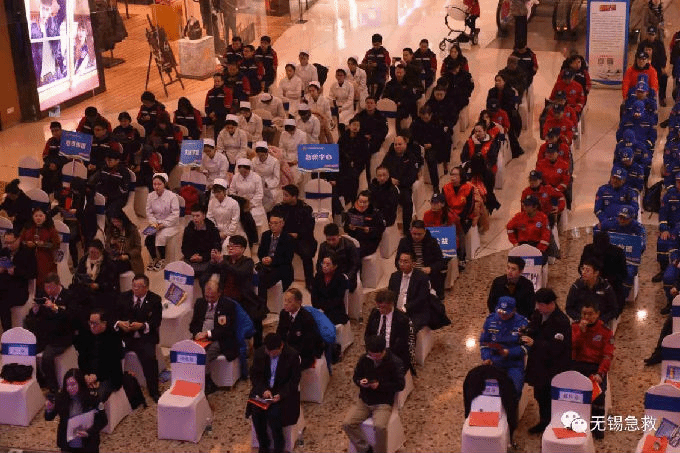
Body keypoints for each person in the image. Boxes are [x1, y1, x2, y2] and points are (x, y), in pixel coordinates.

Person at [343, 335, 405, 453]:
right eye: (371, 355)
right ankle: (365, 449)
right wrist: (360, 382)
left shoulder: (395, 362)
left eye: (376, 356)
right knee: (347, 423)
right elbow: (356, 376)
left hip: (383, 403)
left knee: (380, 427)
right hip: (365, 401)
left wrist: (379, 385)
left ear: (383, 351)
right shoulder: (364, 359)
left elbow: (400, 385)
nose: (373, 358)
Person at [521, 288, 571, 434]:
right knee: (539, 394)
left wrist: (535, 343)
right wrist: (526, 331)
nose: (538, 307)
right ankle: (544, 421)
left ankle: (553, 423)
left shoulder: (561, 322)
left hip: (553, 366)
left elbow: (556, 348)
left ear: (551, 304)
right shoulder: (538, 314)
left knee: (550, 396)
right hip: (538, 363)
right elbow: (533, 327)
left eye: (541, 305)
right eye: (537, 304)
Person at [204, 235, 266, 347]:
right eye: (229, 246)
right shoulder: (225, 259)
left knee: (256, 316)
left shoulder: (248, 262)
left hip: (243, 298)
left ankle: (257, 347)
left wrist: (222, 262)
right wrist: (212, 262)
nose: (231, 248)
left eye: (235, 246)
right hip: (225, 298)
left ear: (242, 249)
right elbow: (209, 272)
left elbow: (239, 273)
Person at [247, 333, 301, 453]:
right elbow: (255, 375)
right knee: (256, 411)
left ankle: (278, 446)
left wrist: (281, 395)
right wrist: (263, 390)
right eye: (269, 352)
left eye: (274, 353)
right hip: (265, 391)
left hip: (283, 393)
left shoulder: (292, 355)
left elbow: (294, 381)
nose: (271, 355)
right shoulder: (260, 353)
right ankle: (263, 444)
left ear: (281, 347)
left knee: (274, 414)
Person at [571, 300, 614, 439]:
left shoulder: (605, 331)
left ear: (597, 314)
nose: (586, 317)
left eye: (590, 314)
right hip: (578, 364)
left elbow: (607, 356)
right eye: (584, 314)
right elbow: (571, 348)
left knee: (599, 395)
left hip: (596, 367)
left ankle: (597, 425)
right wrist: (581, 333)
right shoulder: (575, 327)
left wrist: (600, 373)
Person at [114, 274, 162, 401]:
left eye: (138, 287)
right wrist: (119, 323)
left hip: (145, 338)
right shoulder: (123, 297)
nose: (135, 289)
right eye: (133, 286)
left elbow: (156, 321)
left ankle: (154, 390)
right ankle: (117, 386)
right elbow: (114, 316)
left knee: (149, 358)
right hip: (126, 337)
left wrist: (142, 325)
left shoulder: (155, 300)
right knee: (112, 352)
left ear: (146, 287)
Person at [23, 273, 72, 393]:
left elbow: (71, 317)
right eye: (46, 287)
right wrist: (35, 311)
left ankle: (53, 387)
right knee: (28, 352)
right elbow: (31, 317)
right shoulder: (43, 296)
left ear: (58, 285)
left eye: (50, 287)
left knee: (47, 357)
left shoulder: (68, 296)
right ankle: (39, 382)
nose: (48, 290)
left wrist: (55, 308)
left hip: (62, 336)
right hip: (44, 335)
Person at [189, 280, 239, 393]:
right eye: (207, 296)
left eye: (212, 297)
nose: (209, 300)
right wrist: (196, 333)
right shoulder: (200, 303)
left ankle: (207, 382)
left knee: (205, 355)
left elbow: (226, 329)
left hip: (220, 339)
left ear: (219, 293)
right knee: (188, 350)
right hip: (201, 338)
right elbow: (193, 324)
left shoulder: (227, 305)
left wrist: (208, 334)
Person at [44, 368, 108, 453]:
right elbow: (49, 417)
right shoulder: (61, 398)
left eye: (73, 384)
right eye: (67, 385)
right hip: (67, 445)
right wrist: (49, 409)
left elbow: (103, 420)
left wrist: (89, 432)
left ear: (80, 383)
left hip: (88, 445)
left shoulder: (92, 398)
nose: (70, 388)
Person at [480, 296, 529, 398]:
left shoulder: (522, 323)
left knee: (514, 391)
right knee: (490, 392)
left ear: (514, 310)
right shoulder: (490, 320)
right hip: (494, 362)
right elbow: (484, 343)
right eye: (500, 311)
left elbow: (526, 347)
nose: (502, 315)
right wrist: (486, 357)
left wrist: (509, 352)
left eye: (506, 313)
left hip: (514, 364)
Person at [271, 185, 317, 290]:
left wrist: (298, 234)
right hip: (284, 236)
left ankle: (309, 281)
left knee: (307, 254)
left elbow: (309, 226)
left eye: (286, 195)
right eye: (284, 195)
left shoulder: (305, 209)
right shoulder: (279, 208)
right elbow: (274, 224)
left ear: (294, 197)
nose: (284, 198)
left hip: (301, 238)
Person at [597, 206, 646, 302]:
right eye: (620, 217)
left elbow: (642, 245)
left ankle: (621, 298)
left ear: (631, 218)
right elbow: (598, 232)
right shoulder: (610, 223)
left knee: (629, 273)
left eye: (625, 218)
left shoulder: (638, 228)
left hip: (628, 259)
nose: (622, 220)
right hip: (610, 257)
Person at [365, 289, 415, 375]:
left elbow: (401, 344)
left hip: (393, 352)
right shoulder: (375, 313)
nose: (380, 310)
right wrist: (372, 350)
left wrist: (385, 354)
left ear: (391, 304)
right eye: (379, 307)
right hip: (375, 350)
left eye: (383, 307)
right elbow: (368, 334)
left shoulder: (402, 319)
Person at [78, 309, 123, 402]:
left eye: (95, 323)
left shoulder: (114, 338)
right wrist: (86, 376)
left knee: (97, 397)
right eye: (90, 323)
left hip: (108, 376)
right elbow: (82, 359)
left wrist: (96, 377)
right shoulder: (86, 335)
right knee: (75, 392)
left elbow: (112, 365)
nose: (92, 326)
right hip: (90, 375)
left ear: (104, 323)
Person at [395, 220, 446, 300]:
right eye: (414, 234)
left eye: (419, 234)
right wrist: (406, 267)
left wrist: (431, 268)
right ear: (411, 231)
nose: (417, 237)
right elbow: (397, 261)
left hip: (427, 273)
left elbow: (441, 262)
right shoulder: (404, 242)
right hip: (409, 273)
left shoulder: (432, 242)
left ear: (425, 232)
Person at [578, 231, 627, 313]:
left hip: (612, 287)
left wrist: (606, 281)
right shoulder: (588, 250)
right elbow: (580, 268)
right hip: (590, 286)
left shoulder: (618, 253)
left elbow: (623, 275)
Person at [276, 288, 323, 369]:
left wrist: (289, 353)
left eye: (289, 301)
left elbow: (308, 344)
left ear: (299, 302)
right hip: (286, 350)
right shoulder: (283, 313)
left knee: (287, 366)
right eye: (285, 300)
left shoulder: (307, 318)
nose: (286, 304)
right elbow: (279, 333)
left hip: (303, 353)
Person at [381, 135, 420, 231]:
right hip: (388, 185)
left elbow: (412, 176)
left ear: (405, 144)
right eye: (395, 144)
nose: (397, 146)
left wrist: (399, 182)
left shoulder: (411, 157)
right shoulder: (389, 156)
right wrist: (389, 180)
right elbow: (381, 170)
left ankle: (406, 229)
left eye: (400, 144)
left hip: (403, 187)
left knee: (407, 202)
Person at [0, 230, 37, 331]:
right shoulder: (4, 251)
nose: (9, 245)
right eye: (6, 242)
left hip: (19, 289)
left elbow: (33, 274)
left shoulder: (28, 253)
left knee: (3, 303)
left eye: (11, 242)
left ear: (18, 239)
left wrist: (16, 271)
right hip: (4, 285)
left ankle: (7, 331)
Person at [565, 258, 618, 324]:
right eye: (583, 269)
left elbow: (614, 309)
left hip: (600, 322)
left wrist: (602, 320)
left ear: (596, 273)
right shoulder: (576, 286)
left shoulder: (606, 287)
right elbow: (569, 308)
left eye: (587, 270)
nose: (583, 272)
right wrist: (580, 318)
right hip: (580, 321)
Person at [144, 173, 180, 271]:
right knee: (148, 238)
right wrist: (154, 223)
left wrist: (163, 224)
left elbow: (175, 214)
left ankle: (162, 259)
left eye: (159, 184)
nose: (156, 186)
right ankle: (154, 258)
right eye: (154, 184)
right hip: (155, 223)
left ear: (164, 184)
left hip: (170, 224)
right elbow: (149, 212)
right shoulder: (150, 196)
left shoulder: (172, 196)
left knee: (161, 236)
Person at [388, 251, 431, 333]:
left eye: (405, 262)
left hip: (414, 311)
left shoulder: (422, 278)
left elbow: (421, 299)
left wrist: (405, 308)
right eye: (400, 261)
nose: (402, 264)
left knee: (408, 330)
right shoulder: (394, 276)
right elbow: (390, 294)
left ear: (413, 264)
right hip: (396, 310)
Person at [73, 239, 119, 312]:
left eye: (95, 253)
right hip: (85, 291)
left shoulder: (108, 263)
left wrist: (98, 285)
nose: (93, 255)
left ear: (100, 252)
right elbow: (77, 276)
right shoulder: (83, 261)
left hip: (102, 293)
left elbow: (112, 282)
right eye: (91, 252)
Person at [21, 206, 60, 290]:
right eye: (36, 216)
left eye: (40, 216)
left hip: (45, 257)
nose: (38, 218)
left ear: (45, 217)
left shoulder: (50, 228)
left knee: (44, 278)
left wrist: (43, 244)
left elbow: (56, 244)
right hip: (28, 256)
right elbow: (21, 241)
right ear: (32, 217)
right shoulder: (27, 227)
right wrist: (27, 243)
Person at [334, 117, 370, 206]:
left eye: (357, 125)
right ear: (349, 126)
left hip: (357, 165)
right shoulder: (343, 137)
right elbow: (338, 151)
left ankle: (353, 201)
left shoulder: (363, 139)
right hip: (344, 164)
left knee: (353, 178)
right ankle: (343, 201)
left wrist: (355, 162)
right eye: (354, 125)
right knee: (341, 177)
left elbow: (365, 155)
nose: (355, 127)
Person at [257, 213, 294, 297]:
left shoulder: (288, 238)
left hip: (281, 267)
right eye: (271, 223)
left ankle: (262, 302)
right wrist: (263, 258)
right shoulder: (265, 235)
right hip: (265, 265)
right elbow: (260, 252)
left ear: (282, 224)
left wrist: (272, 260)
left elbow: (287, 259)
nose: (273, 226)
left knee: (264, 279)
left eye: (276, 223)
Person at [316, 223, 361, 292]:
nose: (331, 242)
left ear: (339, 236)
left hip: (345, 275)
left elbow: (355, 265)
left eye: (333, 239)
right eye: (328, 240)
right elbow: (319, 264)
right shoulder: (323, 246)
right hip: (329, 275)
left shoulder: (349, 245)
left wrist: (347, 277)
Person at [182, 206, 222, 282]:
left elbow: (216, 248)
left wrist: (202, 257)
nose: (195, 218)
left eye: (197, 216)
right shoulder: (188, 229)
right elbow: (184, 247)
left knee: (204, 278)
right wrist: (190, 256)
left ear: (203, 216)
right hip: (191, 259)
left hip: (207, 259)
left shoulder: (212, 229)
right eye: (193, 216)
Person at [355, 97, 388, 183]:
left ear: (375, 104)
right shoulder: (359, 116)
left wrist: (372, 136)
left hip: (375, 142)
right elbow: (355, 128)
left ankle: (370, 180)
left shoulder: (381, 116)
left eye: (371, 103)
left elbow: (384, 131)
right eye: (367, 103)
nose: (369, 105)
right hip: (362, 141)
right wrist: (363, 136)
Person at [343, 190, 386, 258]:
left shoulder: (375, 213)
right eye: (360, 202)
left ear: (369, 202)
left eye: (365, 202)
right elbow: (345, 228)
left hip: (369, 241)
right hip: (354, 238)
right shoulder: (352, 211)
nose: (362, 204)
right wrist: (349, 227)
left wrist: (370, 230)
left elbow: (381, 229)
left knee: (354, 253)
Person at [88, 148, 131, 214]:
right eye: (106, 160)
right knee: (90, 206)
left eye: (110, 160)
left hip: (116, 198)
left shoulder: (123, 172)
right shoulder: (104, 169)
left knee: (111, 211)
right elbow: (98, 182)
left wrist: (109, 197)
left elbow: (123, 190)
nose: (107, 162)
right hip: (103, 195)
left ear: (117, 161)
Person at [229, 158, 267, 231]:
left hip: (254, 204)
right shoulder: (236, 177)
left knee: (257, 225)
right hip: (241, 205)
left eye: (245, 172)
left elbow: (259, 194)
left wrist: (250, 204)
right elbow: (232, 191)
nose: (243, 174)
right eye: (241, 172)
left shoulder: (256, 177)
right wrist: (240, 203)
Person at [311, 253, 349, 325]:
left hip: (335, 310)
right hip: (319, 308)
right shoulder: (318, 276)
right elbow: (314, 296)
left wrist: (324, 309)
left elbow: (338, 299)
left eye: (327, 264)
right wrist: (318, 308)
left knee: (325, 321)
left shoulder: (341, 278)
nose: (324, 266)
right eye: (323, 263)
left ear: (335, 266)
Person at [104, 210, 143, 276]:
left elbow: (138, 248)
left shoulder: (132, 230)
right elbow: (106, 246)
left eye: (117, 221)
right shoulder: (111, 230)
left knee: (113, 268)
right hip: (114, 256)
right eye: (113, 222)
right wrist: (111, 243)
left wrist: (128, 255)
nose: (115, 224)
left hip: (129, 259)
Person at [207, 178, 243, 245]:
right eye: (215, 192)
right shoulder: (212, 202)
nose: (216, 194)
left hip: (232, 233)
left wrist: (226, 233)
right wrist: (216, 231)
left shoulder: (233, 203)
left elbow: (235, 221)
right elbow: (210, 217)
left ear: (224, 191)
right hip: (216, 232)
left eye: (219, 192)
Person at [252, 142, 281, 211]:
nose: (260, 156)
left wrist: (267, 184)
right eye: (258, 154)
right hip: (256, 184)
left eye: (262, 155)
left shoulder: (274, 161)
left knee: (271, 197)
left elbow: (276, 178)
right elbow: (252, 174)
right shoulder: (253, 160)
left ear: (266, 152)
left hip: (270, 185)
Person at [41, 121, 68, 195]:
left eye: (56, 130)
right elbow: (45, 156)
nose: (55, 133)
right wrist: (50, 164)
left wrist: (56, 164)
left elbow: (68, 157)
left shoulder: (67, 141)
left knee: (56, 178)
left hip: (62, 165)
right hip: (51, 165)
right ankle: (45, 195)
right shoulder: (50, 141)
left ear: (61, 130)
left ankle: (58, 195)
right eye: (52, 131)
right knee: (45, 175)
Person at [204, 73, 233, 140]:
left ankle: (216, 143)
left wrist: (215, 113)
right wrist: (210, 114)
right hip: (211, 115)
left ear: (222, 82)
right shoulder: (210, 92)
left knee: (218, 125)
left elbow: (227, 107)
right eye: (215, 81)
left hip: (223, 115)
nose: (216, 83)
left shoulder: (227, 91)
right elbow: (206, 106)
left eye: (218, 81)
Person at [362, 34, 391, 98]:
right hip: (370, 75)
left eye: (377, 44)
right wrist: (367, 65)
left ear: (381, 43)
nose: (376, 46)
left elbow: (387, 64)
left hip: (381, 75)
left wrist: (377, 65)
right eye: (374, 44)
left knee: (380, 88)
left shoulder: (384, 52)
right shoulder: (369, 52)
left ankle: (376, 99)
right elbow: (363, 62)